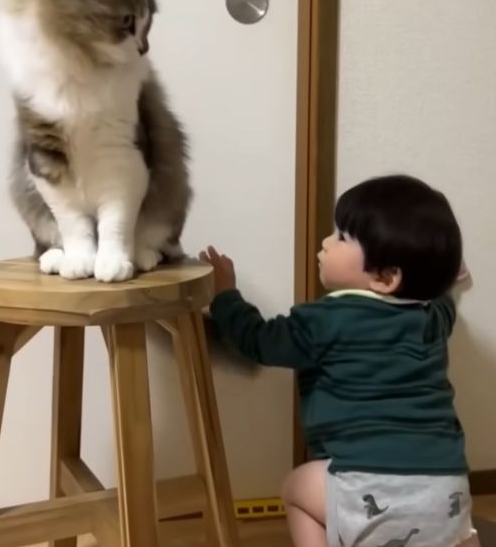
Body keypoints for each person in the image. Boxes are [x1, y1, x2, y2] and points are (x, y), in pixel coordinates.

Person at [199, 174, 478, 547]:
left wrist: (226, 295)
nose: (326, 243)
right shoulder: (433, 318)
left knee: (296, 488)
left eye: (342, 237)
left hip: (364, 487)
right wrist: (448, 278)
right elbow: (445, 299)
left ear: (385, 276)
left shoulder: (323, 320)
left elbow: (259, 341)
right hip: (447, 494)